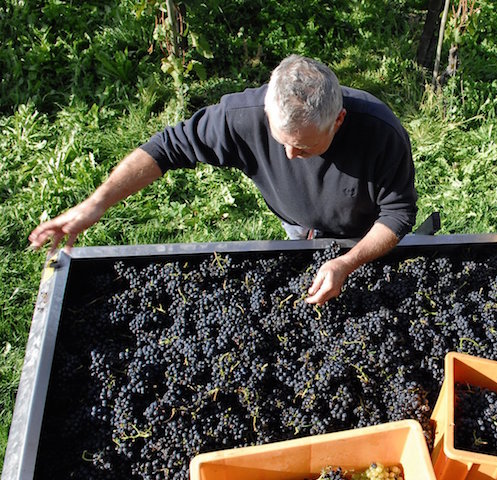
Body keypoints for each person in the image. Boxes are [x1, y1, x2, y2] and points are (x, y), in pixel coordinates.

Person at [28, 54, 418, 305]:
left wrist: (348, 262)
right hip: (299, 224)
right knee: (303, 249)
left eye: (303, 149)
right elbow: (166, 148)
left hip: (364, 233)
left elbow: (398, 215)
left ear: (339, 121)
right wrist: (94, 205)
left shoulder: (380, 133)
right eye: (282, 143)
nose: (289, 157)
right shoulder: (245, 116)